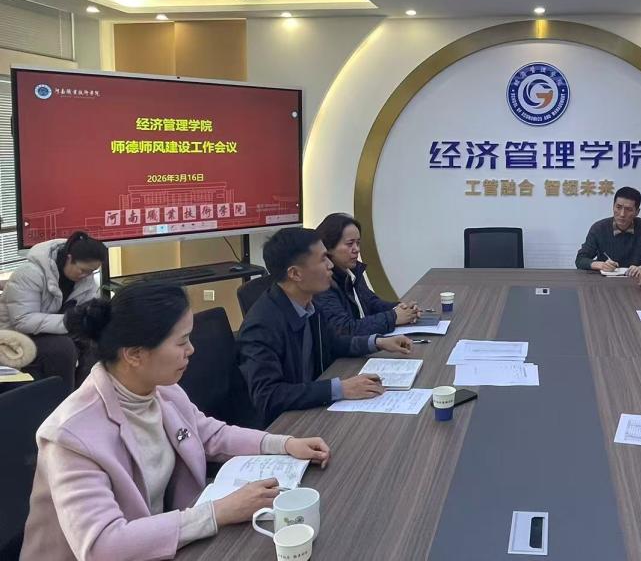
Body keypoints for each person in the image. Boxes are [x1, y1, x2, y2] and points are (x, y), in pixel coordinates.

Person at [20, 281, 332, 560]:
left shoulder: (160, 390)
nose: (192, 350)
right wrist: (217, 513)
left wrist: (284, 444)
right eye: (181, 342)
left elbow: (209, 434)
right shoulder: (71, 436)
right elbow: (103, 546)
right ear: (134, 354)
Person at [236, 227, 413, 426]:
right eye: (322, 259)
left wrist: (378, 342)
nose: (330, 265)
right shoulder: (261, 326)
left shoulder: (308, 303)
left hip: (311, 409)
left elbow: (332, 342)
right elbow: (268, 396)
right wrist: (340, 389)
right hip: (284, 426)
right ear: (295, 273)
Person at [0, 230, 106, 392]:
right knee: (62, 348)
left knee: (97, 342)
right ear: (69, 258)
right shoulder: (30, 274)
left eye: (92, 272)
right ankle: (61, 400)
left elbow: (85, 311)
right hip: (15, 336)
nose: (87, 276)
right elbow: (23, 321)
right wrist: (69, 321)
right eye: (83, 270)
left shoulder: (86, 280)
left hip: (52, 331)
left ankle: (84, 395)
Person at [313, 213, 421, 336]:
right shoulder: (322, 283)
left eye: (358, 243)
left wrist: (402, 308)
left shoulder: (353, 271)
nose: (356, 249)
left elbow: (371, 303)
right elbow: (344, 329)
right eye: (350, 244)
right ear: (329, 247)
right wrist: (393, 317)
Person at [575, 186, 641, 274]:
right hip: (605, 280)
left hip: (635, 278)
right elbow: (580, 259)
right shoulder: (599, 228)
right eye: (618, 207)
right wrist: (601, 265)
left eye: (628, 209)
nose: (622, 214)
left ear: (637, 212)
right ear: (613, 207)